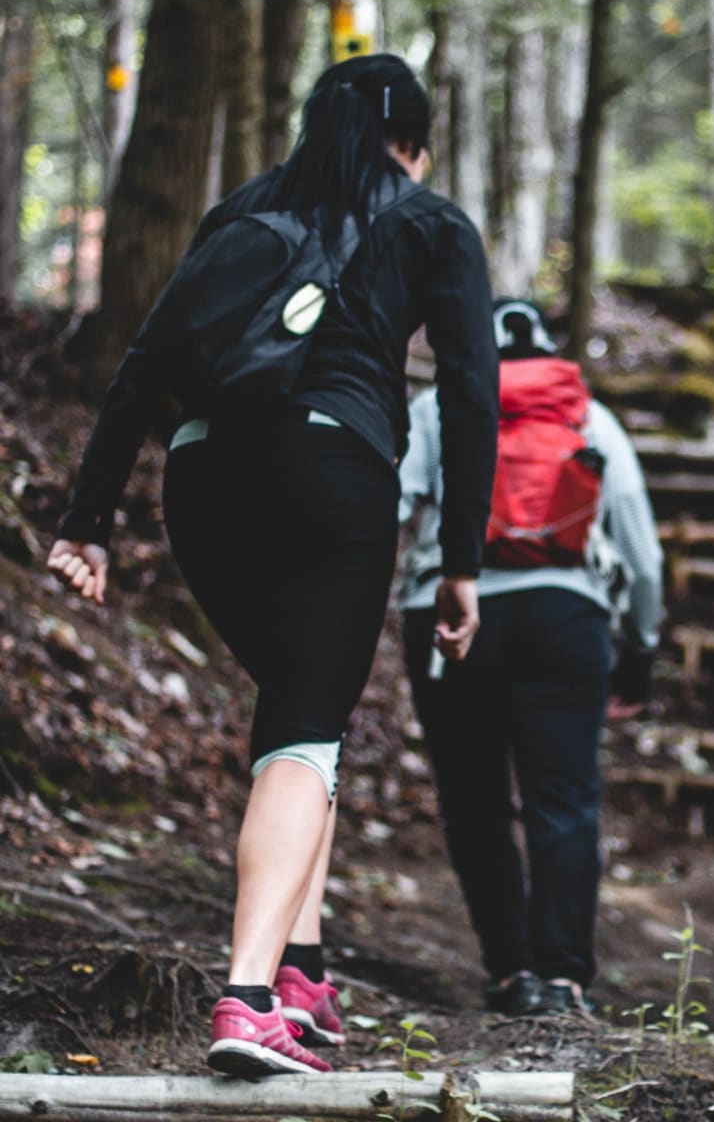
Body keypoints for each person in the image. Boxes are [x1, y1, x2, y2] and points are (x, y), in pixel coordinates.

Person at [46, 54, 498, 1074]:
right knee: (305, 728)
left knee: (304, 718)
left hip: (203, 477)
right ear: (412, 141)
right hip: (333, 469)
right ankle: (249, 1000)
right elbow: (471, 395)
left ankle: (306, 977)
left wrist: (90, 521)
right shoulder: (429, 221)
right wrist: (461, 558)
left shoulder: (243, 212)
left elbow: (143, 365)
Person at [399, 298, 663, 1017]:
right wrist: (640, 646)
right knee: (566, 800)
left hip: (450, 612)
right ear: (545, 349)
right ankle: (565, 977)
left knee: (474, 801)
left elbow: (390, 505)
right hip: (566, 614)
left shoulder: (436, 407)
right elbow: (641, 554)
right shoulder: (586, 414)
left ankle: (510, 971)